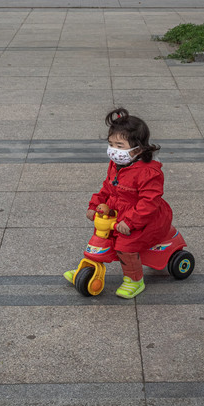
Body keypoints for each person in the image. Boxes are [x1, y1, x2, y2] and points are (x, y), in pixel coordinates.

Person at [65, 107, 174, 298]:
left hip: (145, 218)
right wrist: (94, 205)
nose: (114, 151)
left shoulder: (149, 172)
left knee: (125, 246)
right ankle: (88, 266)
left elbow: (149, 202)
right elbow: (107, 188)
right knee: (102, 235)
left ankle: (134, 280)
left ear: (138, 149)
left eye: (119, 146)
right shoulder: (117, 165)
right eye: (111, 144)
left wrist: (130, 221)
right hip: (118, 212)